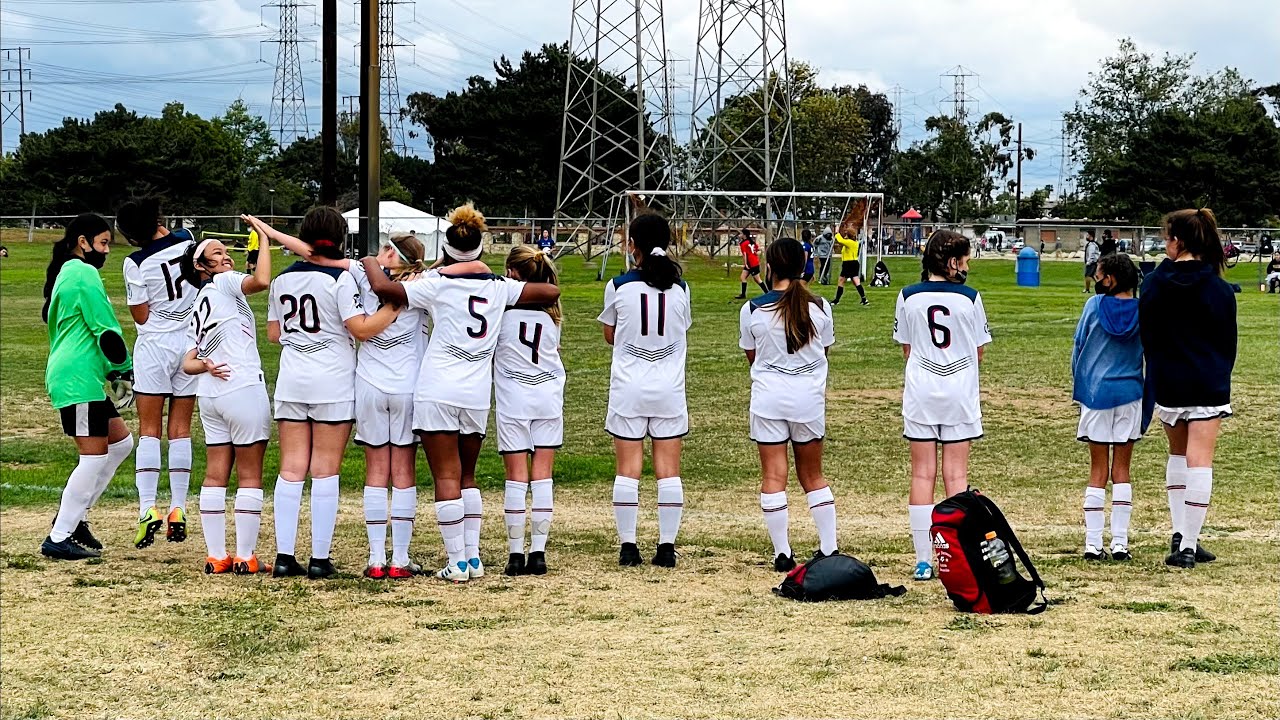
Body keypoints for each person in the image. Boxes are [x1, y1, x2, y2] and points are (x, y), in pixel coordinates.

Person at [361, 203, 561, 584]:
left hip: (437, 391)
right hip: (474, 395)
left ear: (447, 251)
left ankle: (456, 562)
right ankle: (472, 558)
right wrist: (486, 274)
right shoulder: (500, 287)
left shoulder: (437, 284)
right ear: (481, 250)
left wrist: (370, 259)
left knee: (446, 479)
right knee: (467, 476)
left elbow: (384, 287)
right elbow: (550, 289)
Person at [258, 208, 401, 579]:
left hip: (292, 377)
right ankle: (319, 559)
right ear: (341, 237)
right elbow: (361, 328)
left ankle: (285, 557)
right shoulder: (344, 276)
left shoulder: (281, 281)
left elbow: (274, 335)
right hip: (332, 379)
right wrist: (392, 310)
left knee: (290, 470)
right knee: (324, 471)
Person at [179, 220, 297, 575]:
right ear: (201, 266)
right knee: (249, 475)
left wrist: (206, 366)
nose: (225, 255)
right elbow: (261, 281)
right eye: (217, 252)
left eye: (226, 251)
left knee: (215, 475)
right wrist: (263, 238)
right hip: (242, 387)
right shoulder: (224, 283)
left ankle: (216, 556)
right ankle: (245, 555)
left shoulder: (199, 302)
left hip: (211, 395)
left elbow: (187, 363)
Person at [1140, 208, 1236, 569]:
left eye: (1166, 238)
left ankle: (1182, 535)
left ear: (1178, 242)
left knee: (1179, 456)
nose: (1165, 244)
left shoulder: (1154, 283)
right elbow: (1228, 341)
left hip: (1168, 380)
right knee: (1200, 461)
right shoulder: (1219, 288)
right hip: (1208, 381)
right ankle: (1188, 544)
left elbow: (1147, 333)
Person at [893, 229, 991, 581]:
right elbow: (979, 351)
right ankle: (958, 555)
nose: (967, 267)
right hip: (959, 393)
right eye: (964, 260)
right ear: (952, 263)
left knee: (922, 474)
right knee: (956, 475)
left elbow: (906, 348)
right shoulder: (969, 298)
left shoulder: (908, 296)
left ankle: (924, 560)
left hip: (921, 391)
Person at [40, 214, 136, 560]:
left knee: (122, 443)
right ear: (83, 242)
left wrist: (111, 375)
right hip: (76, 379)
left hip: (82, 377)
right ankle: (59, 536)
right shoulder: (83, 273)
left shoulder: (66, 272)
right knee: (93, 458)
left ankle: (75, 517)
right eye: (103, 242)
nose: (107, 250)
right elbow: (106, 330)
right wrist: (124, 370)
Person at [600, 212, 692, 569]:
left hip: (629, 387)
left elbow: (610, 334)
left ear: (631, 244)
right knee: (668, 470)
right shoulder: (681, 287)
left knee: (628, 469)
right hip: (669, 387)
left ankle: (628, 546)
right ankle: (666, 547)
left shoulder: (619, 285)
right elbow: (682, 329)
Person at [740, 238, 838, 571]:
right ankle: (829, 547)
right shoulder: (822, 307)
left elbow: (751, 356)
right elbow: (823, 351)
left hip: (768, 399)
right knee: (812, 475)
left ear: (769, 267)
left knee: (773, 476)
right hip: (808, 400)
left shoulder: (753, 309)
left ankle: (783, 553)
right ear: (803, 267)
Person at [343, 234, 430, 579]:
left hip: (370, 384)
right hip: (409, 385)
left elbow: (316, 254)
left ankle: (377, 558)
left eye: (384, 249)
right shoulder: (424, 284)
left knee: (377, 470)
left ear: (392, 254)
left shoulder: (361, 276)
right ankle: (400, 559)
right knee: (403, 471)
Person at [116, 198, 197, 549]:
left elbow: (141, 316)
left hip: (155, 346)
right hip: (191, 343)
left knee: (150, 429)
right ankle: (178, 507)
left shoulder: (134, 263)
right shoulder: (189, 241)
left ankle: (148, 508)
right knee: (180, 429)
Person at [496, 246, 565, 576]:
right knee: (542, 475)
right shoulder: (553, 316)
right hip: (548, 396)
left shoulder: (502, 314)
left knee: (515, 477)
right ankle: (538, 552)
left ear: (513, 274)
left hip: (514, 399)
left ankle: (514, 554)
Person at [1071, 253, 1143, 562]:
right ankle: (1120, 544)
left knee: (1097, 469)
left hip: (1097, 393)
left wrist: (1081, 384)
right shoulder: (1143, 311)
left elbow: (1079, 346)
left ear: (1109, 279)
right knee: (1122, 470)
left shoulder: (1093, 306)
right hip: (1130, 393)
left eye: (1099, 274)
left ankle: (1092, 544)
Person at [832, 230, 868, 306]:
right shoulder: (853, 242)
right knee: (856, 281)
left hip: (848, 263)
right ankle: (864, 299)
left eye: (846, 234)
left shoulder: (850, 242)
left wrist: (837, 233)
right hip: (853, 263)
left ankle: (836, 300)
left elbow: (840, 240)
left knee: (841, 281)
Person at [734, 229, 768, 299]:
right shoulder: (751, 242)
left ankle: (767, 293)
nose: (740, 235)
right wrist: (756, 253)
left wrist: (746, 263)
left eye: (741, 234)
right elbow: (757, 250)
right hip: (754, 262)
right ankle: (743, 295)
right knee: (743, 277)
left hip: (751, 263)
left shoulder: (743, 244)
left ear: (744, 235)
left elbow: (745, 254)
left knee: (757, 279)